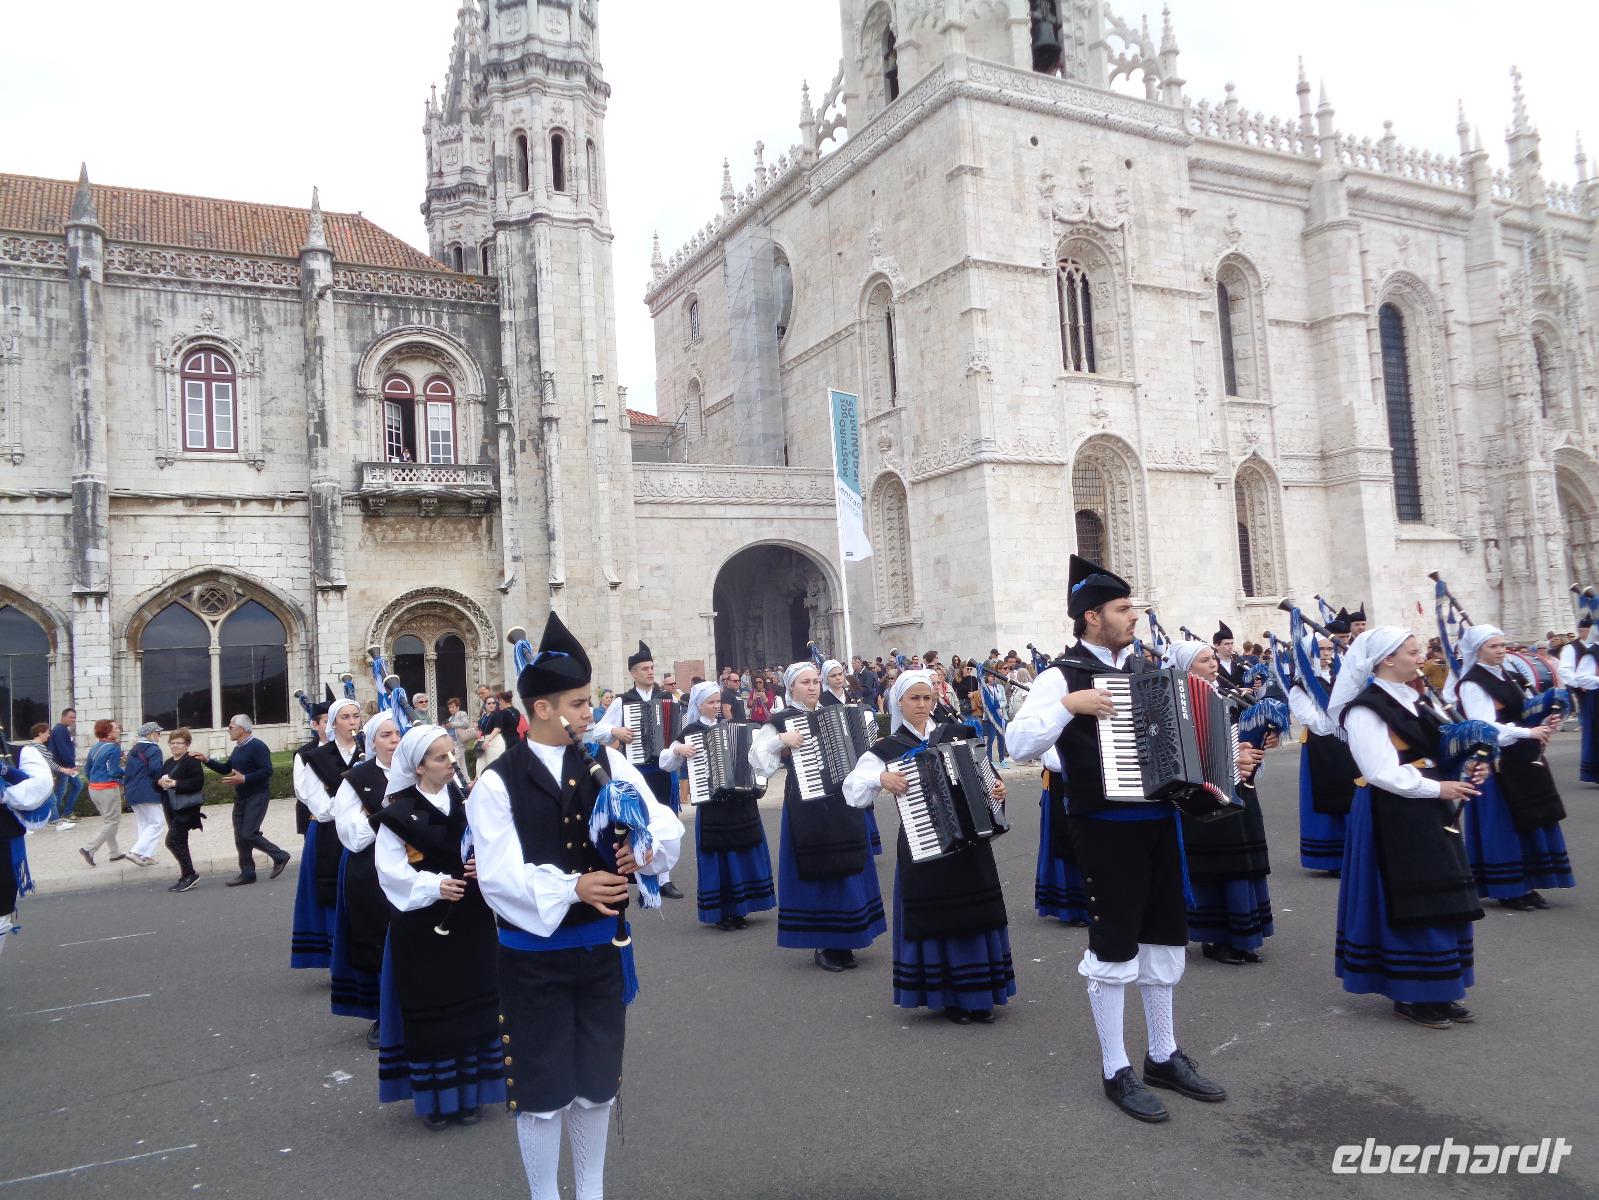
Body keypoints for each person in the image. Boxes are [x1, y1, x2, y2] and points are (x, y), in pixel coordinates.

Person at [467, 612, 682, 1200]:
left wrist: (645, 853)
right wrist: (574, 887)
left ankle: (590, 1191)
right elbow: (499, 877)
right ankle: (545, 1195)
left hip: (600, 952)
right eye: (581, 704)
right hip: (532, 960)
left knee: (595, 1085)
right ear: (543, 709)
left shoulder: (607, 764)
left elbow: (663, 826)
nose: (592, 714)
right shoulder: (495, 783)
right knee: (540, 1092)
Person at [1006, 555, 1226, 1122]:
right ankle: (1115, 1068)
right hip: (1103, 828)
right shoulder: (1062, 676)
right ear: (1090, 616)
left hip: (1158, 822)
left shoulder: (1149, 671)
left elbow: (1177, 743)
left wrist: (1221, 768)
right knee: (1113, 947)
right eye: (1123, 608)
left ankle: (1162, 1053)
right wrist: (1067, 706)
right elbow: (1017, 745)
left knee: (1163, 940)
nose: (1133, 616)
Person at [1330, 628, 1486, 1029]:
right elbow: (1379, 772)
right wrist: (1438, 787)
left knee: (1442, 894)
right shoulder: (1366, 709)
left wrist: (1467, 766)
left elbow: (1437, 751)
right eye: (1414, 652)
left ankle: (1442, 986)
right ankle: (1413, 993)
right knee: (1413, 898)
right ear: (1386, 660)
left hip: (1427, 804)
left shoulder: (1415, 699)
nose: (1422, 659)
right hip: (1392, 810)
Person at [844, 672, 1014, 1023]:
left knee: (976, 913)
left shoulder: (957, 734)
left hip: (971, 840)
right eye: (914, 699)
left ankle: (981, 994)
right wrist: (881, 778)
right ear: (899, 703)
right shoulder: (887, 749)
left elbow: (986, 775)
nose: (922, 705)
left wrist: (997, 791)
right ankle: (950, 997)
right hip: (923, 839)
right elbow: (852, 788)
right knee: (939, 915)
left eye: (928, 699)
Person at [374, 725, 505, 1130]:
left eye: (451, 755)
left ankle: (472, 1095)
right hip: (423, 928)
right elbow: (390, 872)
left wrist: (486, 865)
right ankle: (437, 1101)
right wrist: (435, 885)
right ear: (418, 767)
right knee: (435, 1012)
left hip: (472, 921)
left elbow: (499, 847)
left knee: (475, 1006)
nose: (450, 763)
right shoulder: (396, 815)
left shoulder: (469, 805)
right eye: (439, 757)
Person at [752, 661, 886, 972]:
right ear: (791, 688)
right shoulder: (781, 720)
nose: (813, 687)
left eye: (815, 681)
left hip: (844, 800)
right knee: (819, 867)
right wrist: (779, 742)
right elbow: (760, 763)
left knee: (849, 863)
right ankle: (824, 942)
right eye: (805, 682)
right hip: (807, 803)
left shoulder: (840, 713)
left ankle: (850, 935)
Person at [1162, 642, 1272, 965]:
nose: (1213, 665)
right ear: (1186, 667)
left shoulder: (1232, 700)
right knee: (1214, 867)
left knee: (1243, 861)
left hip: (1240, 791)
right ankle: (1216, 938)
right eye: (1205, 660)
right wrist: (1230, 758)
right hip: (1201, 798)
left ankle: (1245, 935)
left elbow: (1248, 743)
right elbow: (1178, 756)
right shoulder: (1174, 705)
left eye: (1213, 658)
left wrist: (1255, 752)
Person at [1453, 626, 1573, 911]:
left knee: (1533, 815)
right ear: (1478, 650)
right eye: (1493, 646)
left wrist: (1545, 719)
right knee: (1505, 823)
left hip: (1521, 756)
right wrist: (1528, 733)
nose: (1501, 650)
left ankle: (1529, 882)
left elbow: (1523, 710)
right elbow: (1484, 727)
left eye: (1502, 645)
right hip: (1495, 761)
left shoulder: (1508, 673)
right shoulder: (1472, 683)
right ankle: (1509, 887)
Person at [659, 681, 776, 930]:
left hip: (739, 801)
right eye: (710, 702)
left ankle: (741, 908)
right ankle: (723, 911)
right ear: (699, 705)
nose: (716, 707)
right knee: (721, 856)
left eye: (717, 702)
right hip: (713, 806)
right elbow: (665, 761)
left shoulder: (732, 727)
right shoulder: (691, 731)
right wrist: (679, 749)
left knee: (743, 850)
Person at [331, 709, 400, 1046]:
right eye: (386, 735)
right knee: (377, 942)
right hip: (370, 873)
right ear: (371, 741)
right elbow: (352, 836)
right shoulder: (356, 780)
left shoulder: (414, 772)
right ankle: (381, 1015)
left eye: (397, 734)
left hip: (413, 870)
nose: (394, 741)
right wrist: (386, 815)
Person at [597, 641, 684, 900]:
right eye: (645, 668)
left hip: (662, 768)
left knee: (666, 818)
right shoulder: (623, 702)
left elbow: (678, 733)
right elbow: (597, 730)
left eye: (652, 667)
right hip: (636, 769)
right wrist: (616, 731)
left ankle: (665, 878)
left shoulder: (666, 698)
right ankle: (644, 878)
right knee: (639, 822)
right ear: (633, 673)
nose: (650, 672)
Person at [291, 699, 356, 970]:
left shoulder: (368, 752)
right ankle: (335, 954)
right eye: (345, 717)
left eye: (356, 716)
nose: (352, 722)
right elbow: (311, 799)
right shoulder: (311, 757)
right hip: (329, 832)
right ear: (331, 723)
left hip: (365, 831)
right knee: (332, 892)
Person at [1290, 633, 1356, 873]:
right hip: (1322, 746)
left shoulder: (1343, 678)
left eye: (1330, 649)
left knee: (1352, 793)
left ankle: (1356, 852)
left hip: (1349, 743)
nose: (1327, 654)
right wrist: (1343, 720)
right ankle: (1332, 857)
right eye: (1322, 649)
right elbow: (1313, 720)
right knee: (1328, 795)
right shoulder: (1301, 685)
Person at [198, 715, 288, 886]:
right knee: (240, 836)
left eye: (231, 727)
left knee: (249, 832)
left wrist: (244, 779)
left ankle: (280, 855)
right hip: (242, 796)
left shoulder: (257, 746)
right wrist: (207, 760)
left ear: (242, 729)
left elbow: (267, 771)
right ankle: (247, 873)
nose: (228, 729)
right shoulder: (239, 748)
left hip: (257, 795)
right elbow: (226, 768)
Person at [1, 724, 56, 956]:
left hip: (3, 842)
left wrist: (4, 793)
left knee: (1, 913)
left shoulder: (20, 752)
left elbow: (40, 787)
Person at [156, 728, 206, 891]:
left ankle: (191, 873)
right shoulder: (169, 762)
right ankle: (186, 875)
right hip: (170, 807)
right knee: (181, 842)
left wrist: (176, 784)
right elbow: (158, 782)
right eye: (172, 743)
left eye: (179, 743)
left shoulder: (191, 761)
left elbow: (197, 782)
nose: (175, 746)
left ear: (187, 744)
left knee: (171, 841)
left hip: (186, 808)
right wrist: (159, 783)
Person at [79, 719, 125, 867]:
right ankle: (89, 848)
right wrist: (126, 771)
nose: (119, 730)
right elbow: (114, 771)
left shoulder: (95, 747)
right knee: (112, 821)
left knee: (108, 821)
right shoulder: (114, 747)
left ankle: (114, 852)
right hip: (108, 788)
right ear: (108, 731)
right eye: (116, 728)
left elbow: (87, 770)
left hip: (93, 788)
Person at [1558, 618, 1599, 782]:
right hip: (1591, 694)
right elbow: (1567, 671)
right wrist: (1579, 685)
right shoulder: (1573, 648)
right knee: (1592, 730)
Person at [122, 722, 167, 867]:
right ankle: (136, 852)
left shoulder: (133, 749)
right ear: (151, 734)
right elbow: (155, 770)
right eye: (158, 733)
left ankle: (145, 855)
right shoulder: (154, 749)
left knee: (144, 824)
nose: (159, 736)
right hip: (148, 791)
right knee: (157, 822)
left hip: (132, 791)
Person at [47, 708, 81, 830]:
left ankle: (66, 812)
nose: (73, 720)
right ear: (63, 716)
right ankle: (54, 817)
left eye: (74, 717)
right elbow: (63, 750)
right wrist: (72, 765)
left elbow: (67, 746)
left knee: (77, 785)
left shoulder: (63, 730)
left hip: (66, 765)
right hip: (63, 766)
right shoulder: (60, 730)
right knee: (60, 790)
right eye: (71, 717)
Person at [445, 696, 477, 780]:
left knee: (454, 761)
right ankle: (467, 781)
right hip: (453, 742)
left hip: (460, 741)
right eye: (449, 707)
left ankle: (457, 780)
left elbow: (465, 724)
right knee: (462, 763)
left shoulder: (461, 713)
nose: (451, 709)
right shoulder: (450, 718)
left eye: (453, 707)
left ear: (457, 707)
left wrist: (452, 724)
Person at [1212, 622, 1244, 688]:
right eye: (1226, 644)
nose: (1230, 647)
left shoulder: (1239, 664)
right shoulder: (1211, 665)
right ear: (1217, 646)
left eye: (1232, 643)